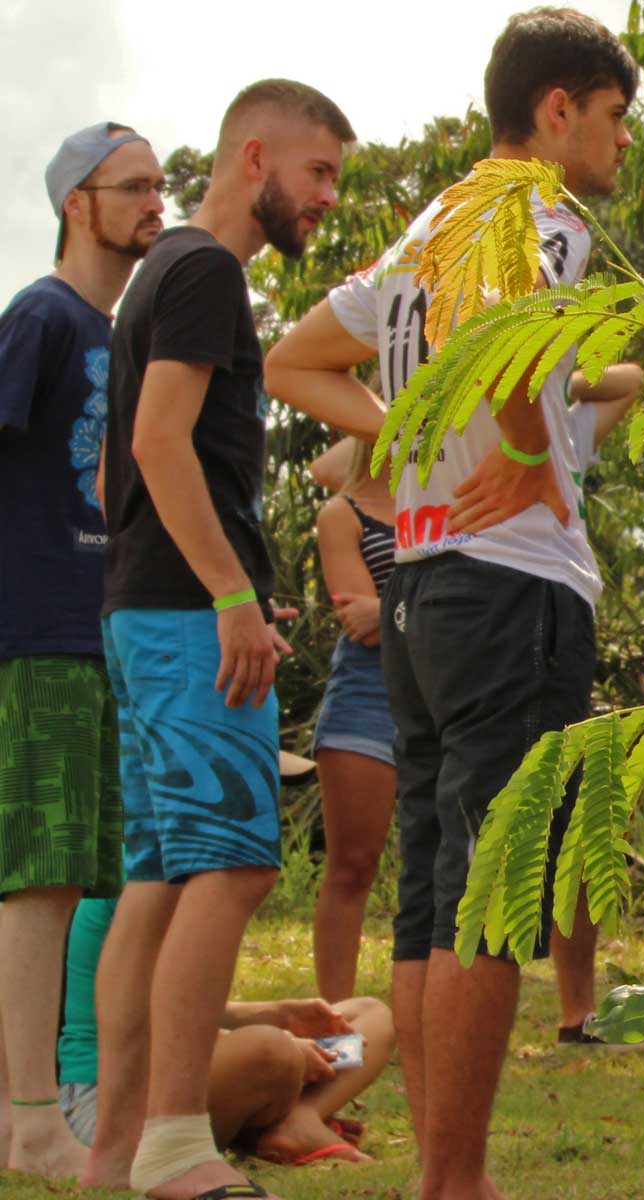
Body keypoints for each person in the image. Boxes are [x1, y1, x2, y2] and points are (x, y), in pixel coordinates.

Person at [261, 12, 636, 1196]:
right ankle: (455, 1181)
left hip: (421, 581)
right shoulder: (540, 212)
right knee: (495, 889)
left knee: (433, 891)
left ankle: (444, 1174)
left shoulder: (429, 228)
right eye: (617, 116)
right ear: (559, 109)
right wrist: (526, 447)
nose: (624, 144)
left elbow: (296, 360)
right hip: (512, 581)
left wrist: (415, 430)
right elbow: (513, 327)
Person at [80, 79, 355, 1200]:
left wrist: (218, 584)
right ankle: (176, 1148)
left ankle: (113, 1154)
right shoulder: (203, 270)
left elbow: (118, 473)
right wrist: (229, 594)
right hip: (185, 618)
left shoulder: (163, 274)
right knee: (233, 865)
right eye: (320, 173)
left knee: (158, 877)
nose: (328, 198)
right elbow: (154, 444)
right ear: (256, 157)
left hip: (150, 612)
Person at [0, 120, 162, 1180]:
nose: (157, 200)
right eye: (133, 186)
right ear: (77, 203)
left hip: (94, 635)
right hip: (37, 637)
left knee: (68, 877)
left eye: (162, 183)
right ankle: (30, 1119)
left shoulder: (119, 331)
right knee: (41, 881)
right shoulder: (43, 319)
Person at [60, 899, 394, 1168]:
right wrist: (287, 1043)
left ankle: (300, 1116)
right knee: (271, 1052)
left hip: (180, 1072)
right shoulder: (146, 881)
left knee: (371, 1015)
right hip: (114, 1100)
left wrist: (281, 1013)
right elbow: (142, 1021)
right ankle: (271, 1122)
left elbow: (181, 1002)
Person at [307, 437, 398, 1003]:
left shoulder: (450, 497)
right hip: (367, 696)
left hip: (444, 696)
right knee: (352, 866)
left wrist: (392, 612)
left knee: (449, 865)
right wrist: (439, 610)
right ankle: (336, 1014)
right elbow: (360, 623)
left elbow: (381, 614)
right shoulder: (342, 513)